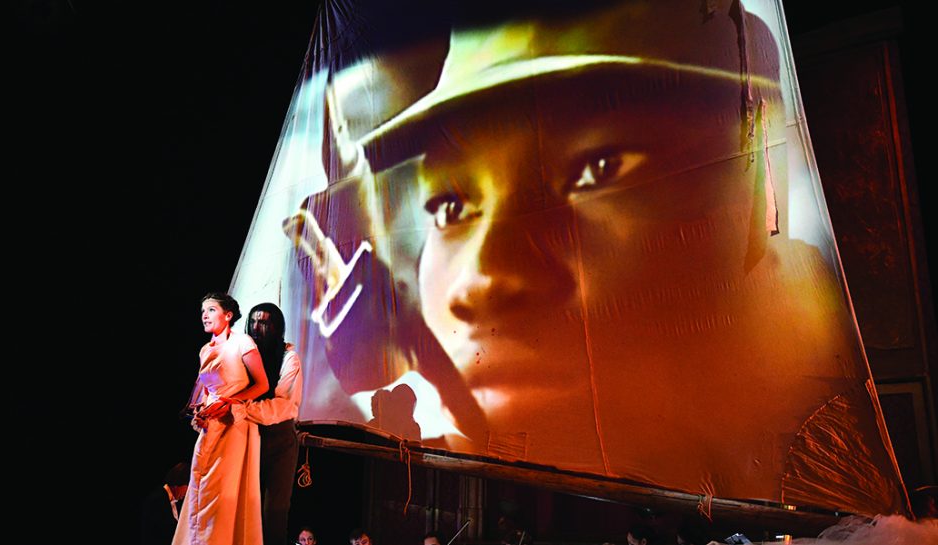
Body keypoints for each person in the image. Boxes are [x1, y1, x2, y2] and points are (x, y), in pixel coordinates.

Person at [281, 0, 907, 514]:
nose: (482, 280)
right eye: (449, 205)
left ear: (755, 156)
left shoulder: (828, 419)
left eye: (602, 168)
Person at [173, 292, 270, 545]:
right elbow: (203, 391)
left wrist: (230, 402)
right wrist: (199, 412)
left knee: (224, 490)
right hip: (210, 425)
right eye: (203, 311)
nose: (205, 315)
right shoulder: (205, 350)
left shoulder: (242, 342)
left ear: (228, 315)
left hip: (235, 423)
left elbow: (261, 384)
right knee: (201, 485)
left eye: (211, 310)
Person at [245, 302, 304, 545]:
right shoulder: (243, 355)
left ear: (277, 327)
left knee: (274, 511)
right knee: (247, 508)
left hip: (279, 440)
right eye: (254, 322)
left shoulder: (289, 357)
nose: (258, 328)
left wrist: (242, 409)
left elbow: (284, 406)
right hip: (248, 436)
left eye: (265, 322)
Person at [140, 462, 189, 545]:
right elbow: (162, 532)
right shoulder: (157, 500)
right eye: (187, 487)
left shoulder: (174, 502)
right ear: (178, 484)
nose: (186, 493)